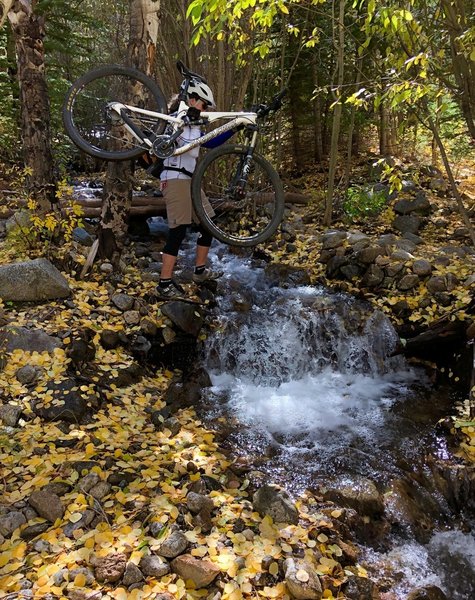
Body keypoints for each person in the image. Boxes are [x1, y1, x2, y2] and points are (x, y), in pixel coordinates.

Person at [145, 77, 233, 300]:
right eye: (203, 105)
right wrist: (184, 118)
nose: (204, 110)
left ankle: (200, 272)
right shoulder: (175, 119)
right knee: (178, 230)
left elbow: (211, 142)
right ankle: (164, 284)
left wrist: (236, 126)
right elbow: (164, 140)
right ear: (193, 100)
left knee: (208, 224)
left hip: (191, 180)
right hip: (174, 178)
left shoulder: (195, 124)